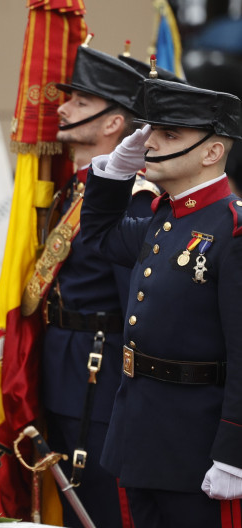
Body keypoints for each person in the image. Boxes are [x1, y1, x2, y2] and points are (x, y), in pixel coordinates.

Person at [80, 75, 242, 527]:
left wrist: (234, 453)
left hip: (196, 447)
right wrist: (113, 172)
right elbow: (98, 237)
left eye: (170, 134)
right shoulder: (165, 220)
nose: (150, 143)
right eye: (151, 131)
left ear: (212, 152)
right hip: (138, 436)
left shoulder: (232, 231)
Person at [25, 43, 155, 528]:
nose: (61, 107)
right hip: (64, 366)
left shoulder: (132, 199)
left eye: (79, 101)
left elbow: (136, 306)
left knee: (101, 504)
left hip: (100, 374)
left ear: (113, 123)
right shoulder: (73, 188)